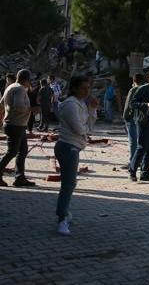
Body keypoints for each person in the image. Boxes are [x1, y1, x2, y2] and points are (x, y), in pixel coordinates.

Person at [54, 75, 98, 236]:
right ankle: (62, 219)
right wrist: (85, 130)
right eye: (83, 88)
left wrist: (93, 108)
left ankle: (64, 212)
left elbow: (90, 127)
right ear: (74, 88)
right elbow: (79, 129)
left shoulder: (81, 104)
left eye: (88, 88)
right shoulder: (70, 104)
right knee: (68, 184)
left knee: (70, 184)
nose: (87, 91)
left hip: (74, 147)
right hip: (67, 147)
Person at [0, 69, 35, 187]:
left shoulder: (10, 87)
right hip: (15, 125)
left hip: (15, 125)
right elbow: (18, 106)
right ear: (26, 79)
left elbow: (1, 104)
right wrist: (31, 109)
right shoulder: (19, 89)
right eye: (30, 80)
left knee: (22, 151)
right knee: (12, 152)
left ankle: (20, 177)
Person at [122, 73, 146, 168]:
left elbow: (128, 105)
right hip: (141, 117)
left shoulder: (133, 90)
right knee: (140, 140)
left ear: (133, 81)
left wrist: (125, 116)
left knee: (133, 140)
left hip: (132, 117)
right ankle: (140, 161)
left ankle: (133, 161)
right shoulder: (146, 90)